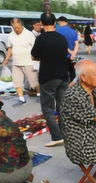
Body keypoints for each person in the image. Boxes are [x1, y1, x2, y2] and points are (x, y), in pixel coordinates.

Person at [31, 13, 68, 147]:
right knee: (62, 107)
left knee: (47, 108)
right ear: (54, 22)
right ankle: (65, 134)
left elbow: (34, 56)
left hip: (48, 77)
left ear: (41, 23)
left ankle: (57, 136)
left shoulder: (41, 39)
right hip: (63, 75)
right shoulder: (61, 38)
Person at [3, 18, 39, 105]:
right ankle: (21, 98)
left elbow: (36, 48)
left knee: (34, 82)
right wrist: (6, 59)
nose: (16, 29)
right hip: (16, 63)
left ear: (21, 25)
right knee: (17, 81)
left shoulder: (29, 34)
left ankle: (39, 94)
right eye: (14, 27)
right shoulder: (11, 35)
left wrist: (37, 59)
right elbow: (10, 48)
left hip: (28, 62)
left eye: (17, 27)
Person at [56, 16, 79, 81]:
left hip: (61, 56)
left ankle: (62, 88)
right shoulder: (73, 31)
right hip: (71, 57)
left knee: (61, 74)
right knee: (72, 72)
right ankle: (71, 88)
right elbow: (77, 44)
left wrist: (69, 51)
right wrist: (73, 53)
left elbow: (61, 44)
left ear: (60, 22)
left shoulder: (57, 31)